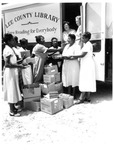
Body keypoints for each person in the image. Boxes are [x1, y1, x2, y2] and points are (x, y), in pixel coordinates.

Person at [69, 32, 96, 103]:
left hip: (87, 64)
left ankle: (81, 98)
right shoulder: (87, 44)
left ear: (87, 38)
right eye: (81, 37)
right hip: (87, 64)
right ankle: (88, 97)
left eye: (83, 38)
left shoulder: (87, 45)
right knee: (88, 79)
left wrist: (72, 56)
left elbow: (82, 55)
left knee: (85, 79)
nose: (81, 39)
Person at [3, 33, 25, 117]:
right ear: (8, 41)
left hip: (12, 72)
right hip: (10, 73)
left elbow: (12, 62)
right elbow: (7, 64)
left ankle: (13, 108)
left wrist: (20, 62)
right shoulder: (8, 50)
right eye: (12, 40)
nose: (14, 41)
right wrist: (18, 66)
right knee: (11, 90)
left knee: (14, 89)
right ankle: (11, 111)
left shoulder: (10, 49)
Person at [62, 34, 80, 99]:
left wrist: (67, 58)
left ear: (73, 39)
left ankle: (74, 94)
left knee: (74, 78)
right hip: (67, 64)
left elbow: (76, 56)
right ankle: (69, 93)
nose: (67, 40)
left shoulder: (77, 46)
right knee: (68, 78)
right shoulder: (66, 46)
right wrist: (66, 57)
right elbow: (63, 55)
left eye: (69, 38)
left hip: (73, 65)